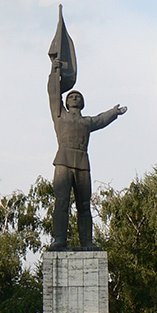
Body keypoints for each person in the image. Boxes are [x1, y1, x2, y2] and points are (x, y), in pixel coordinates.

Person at [48, 57, 127, 250]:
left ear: (82, 103)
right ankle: (59, 240)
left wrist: (114, 112)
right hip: (64, 161)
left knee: (84, 204)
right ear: (66, 102)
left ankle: (87, 242)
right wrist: (54, 70)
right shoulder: (60, 115)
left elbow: (101, 119)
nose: (74, 98)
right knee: (62, 202)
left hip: (82, 162)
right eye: (71, 96)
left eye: (78, 97)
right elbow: (53, 93)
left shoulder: (87, 122)